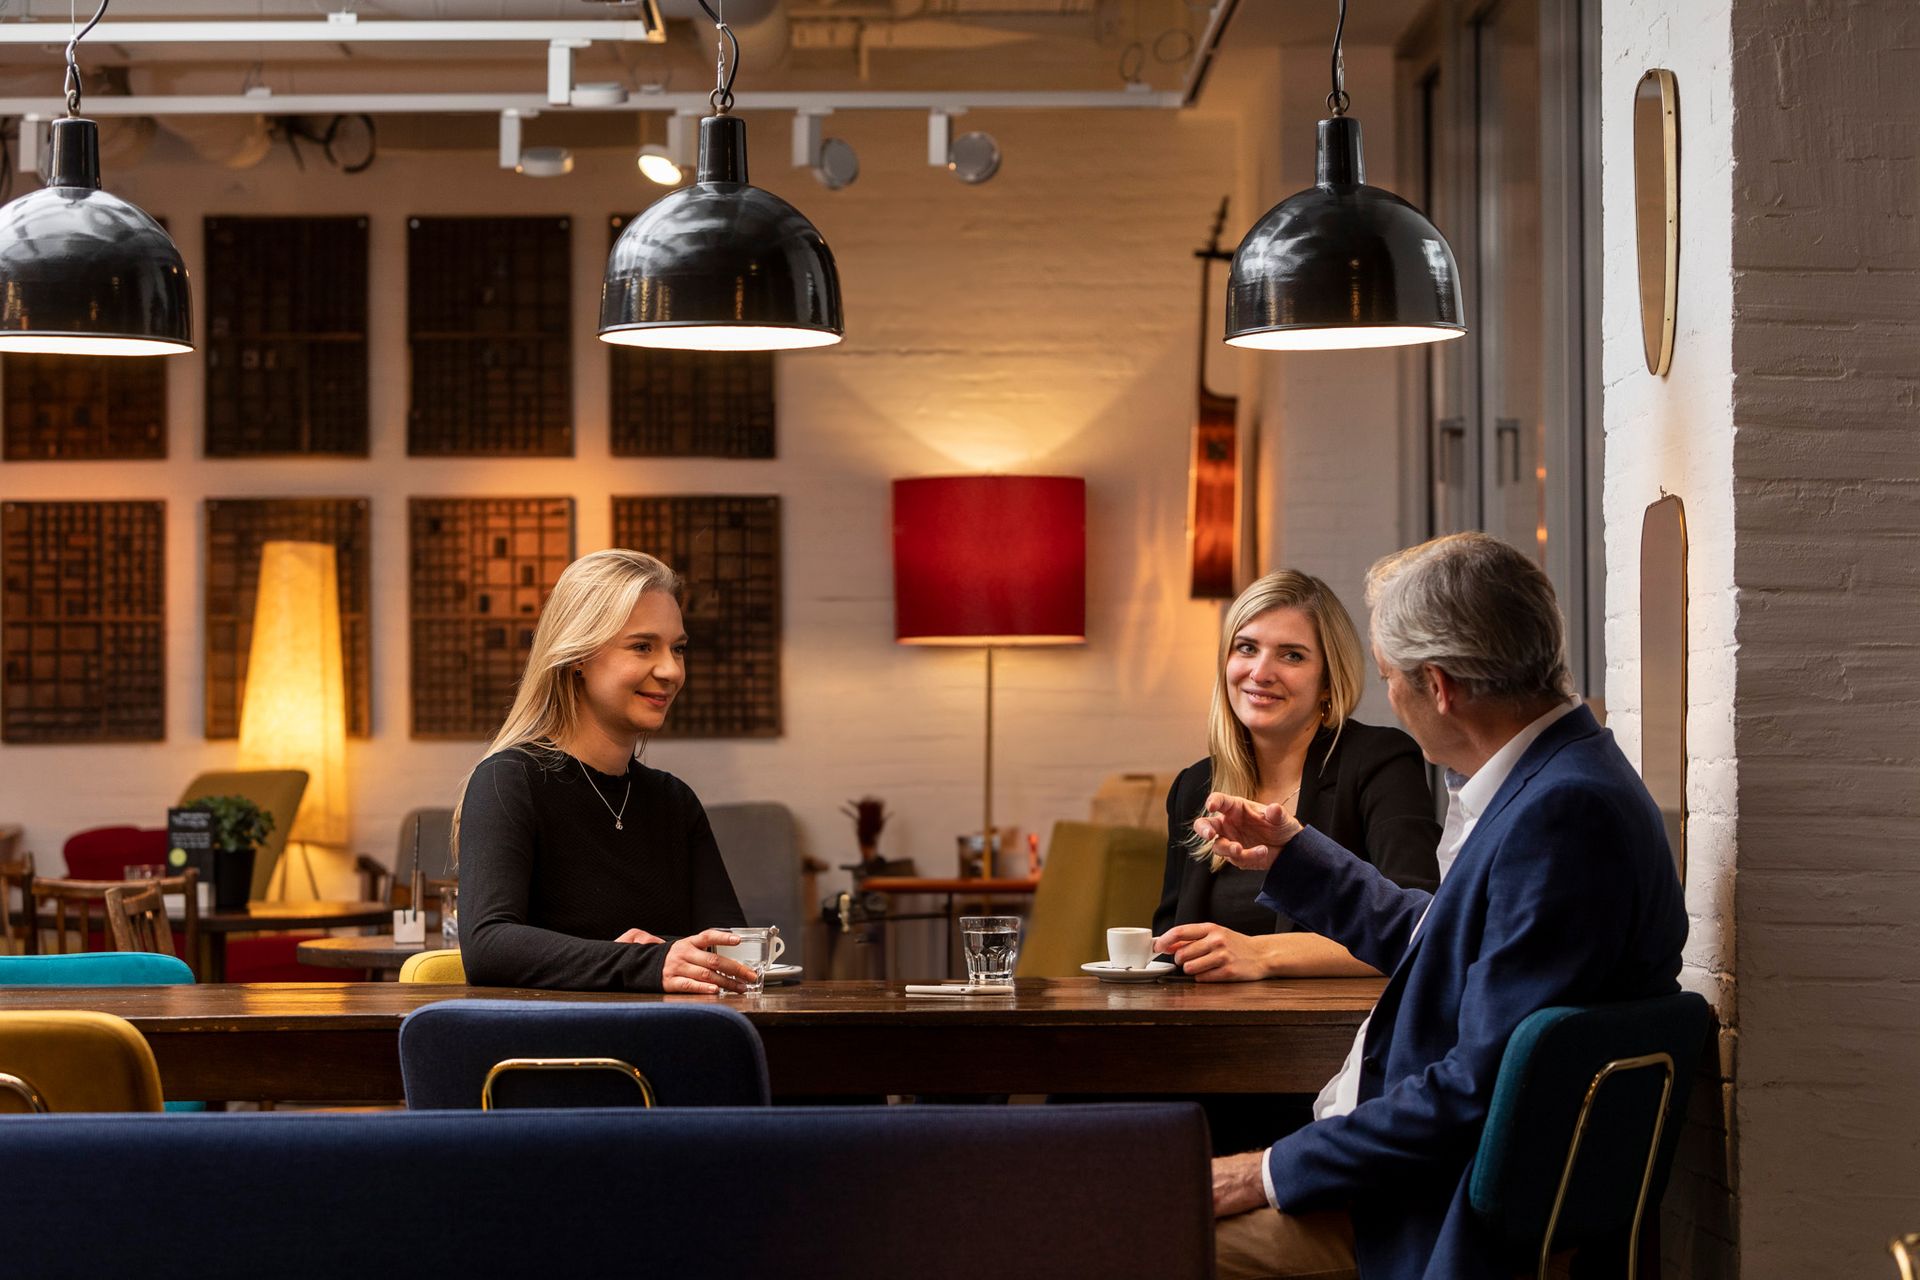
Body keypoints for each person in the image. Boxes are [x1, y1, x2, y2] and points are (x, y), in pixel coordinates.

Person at [1200, 533, 1689, 1280]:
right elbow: (1445, 941)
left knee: (1117, 1235)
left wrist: (1260, 1171)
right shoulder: (1558, 779)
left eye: (1391, 677)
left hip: (1416, 1217)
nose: (1389, 699)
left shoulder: (1563, 816)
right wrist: (1298, 855)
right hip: (1400, 1186)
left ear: (1439, 687)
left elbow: (1474, 1087)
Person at [453, 549, 754, 994]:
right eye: (642, 646)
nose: (671, 670)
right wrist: (640, 963)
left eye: (678, 649)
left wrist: (658, 957)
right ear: (578, 655)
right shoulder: (508, 780)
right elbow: (488, 945)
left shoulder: (674, 801)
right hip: (551, 1053)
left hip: (674, 1044)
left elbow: (734, 951)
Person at [1151, 570, 1439, 983]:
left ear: (1327, 681)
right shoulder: (1195, 785)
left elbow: (1420, 925)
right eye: (1246, 648)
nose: (1260, 673)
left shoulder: (1380, 761)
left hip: (1334, 1033)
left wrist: (1261, 954)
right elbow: (1169, 942)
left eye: (1292, 655)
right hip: (1207, 1032)